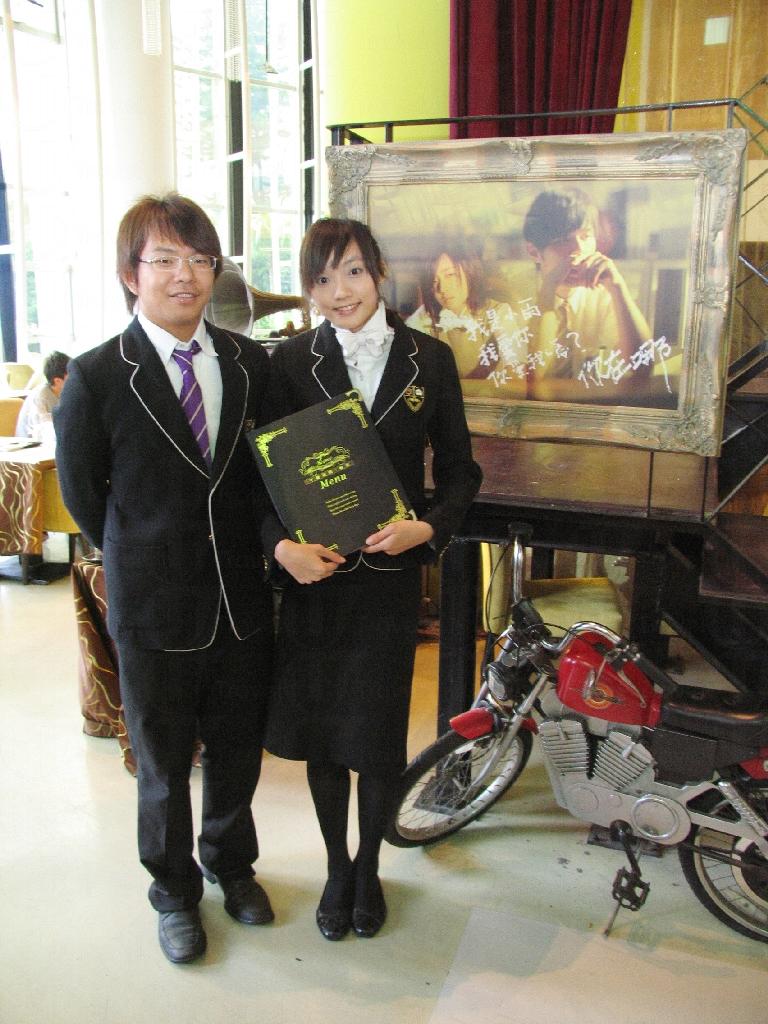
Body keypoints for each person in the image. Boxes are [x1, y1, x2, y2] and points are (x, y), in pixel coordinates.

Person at [54, 193, 275, 966]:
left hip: (241, 597)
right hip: (153, 604)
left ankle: (231, 865)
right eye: (165, 259)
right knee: (163, 761)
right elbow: (85, 497)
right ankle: (174, 891)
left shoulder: (249, 363)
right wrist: (143, 553)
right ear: (131, 274)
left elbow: (264, 476)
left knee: (239, 748)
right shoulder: (95, 377)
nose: (186, 274)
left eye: (200, 258)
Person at [262, 218, 482, 942]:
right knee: (326, 735)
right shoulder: (289, 361)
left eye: (352, 271)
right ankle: (336, 867)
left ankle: (369, 867)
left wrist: (430, 528)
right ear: (308, 289)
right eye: (322, 279)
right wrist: (281, 550)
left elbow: (461, 470)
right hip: (317, 582)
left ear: (379, 271)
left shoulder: (430, 360)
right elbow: (261, 476)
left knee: (379, 736)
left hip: (388, 580)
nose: (339, 291)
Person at [522, 188, 652, 398]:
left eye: (585, 236)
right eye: (563, 240)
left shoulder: (599, 293)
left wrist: (617, 287)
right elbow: (532, 380)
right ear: (534, 252)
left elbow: (643, 368)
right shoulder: (518, 297)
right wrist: (549, 289)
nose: (579, 249)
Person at [406, 243, 526, 393]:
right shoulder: (422, 320)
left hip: (489, 406)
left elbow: (517, 386)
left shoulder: (498, 313)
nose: (442, 288)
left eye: (450, 275)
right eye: (434, 281)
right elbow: (410, 385)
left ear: (470, 271)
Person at [15, 350, 70, 441]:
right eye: (70, 377)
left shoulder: (65, 392)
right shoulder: (40, 396)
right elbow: (43, 429)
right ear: (57, 381)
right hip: (30, 443)